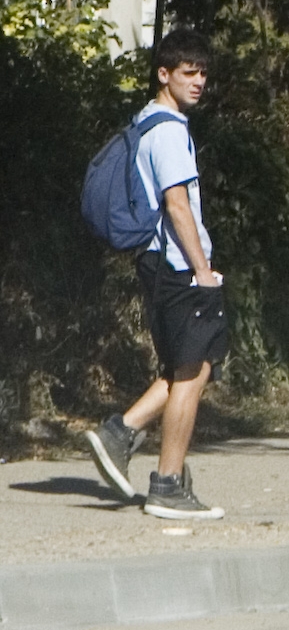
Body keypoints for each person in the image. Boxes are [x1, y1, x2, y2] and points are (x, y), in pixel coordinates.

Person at [81, 30, 229, 521]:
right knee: (192, 369)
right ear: (163, 74)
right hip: (178, 265)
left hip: (157, 262)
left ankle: (123, 436)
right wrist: (202, 270)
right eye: (189, 72)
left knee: (186, 363)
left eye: (203, 72)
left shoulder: (144, 122)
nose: (199, 81)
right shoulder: (168, 130)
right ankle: (164, 482)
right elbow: (176, 203)